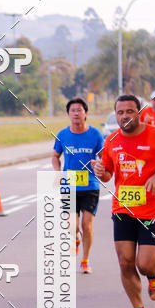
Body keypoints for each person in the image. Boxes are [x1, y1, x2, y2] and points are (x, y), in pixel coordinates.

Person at [91, 95, 155, 308]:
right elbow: (107, 173)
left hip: (151, 210)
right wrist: (100, 171)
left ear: (139, 112)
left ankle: (154, 276)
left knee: (145, 264)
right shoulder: (112, 140)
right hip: (122, 209)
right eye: (120, 112)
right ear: (115, 115)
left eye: (129, 111)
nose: (125, 116)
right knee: (125, 262)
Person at [52, 98, 103, 273]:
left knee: (87, 225)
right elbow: (55, 156)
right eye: (72, 110)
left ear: (85, 113)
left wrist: (100, 165)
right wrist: (58, 172)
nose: (76, 113)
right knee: (70, 225)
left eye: (79, 110)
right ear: (68, 114)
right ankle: (75, 237)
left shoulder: (95, 134)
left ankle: (85, 260)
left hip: (90, 185)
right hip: (69, 185)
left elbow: (103, 156)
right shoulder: (63, 135)